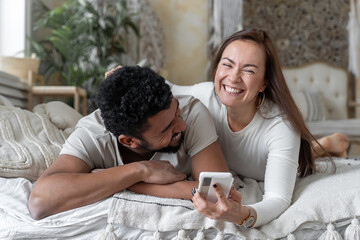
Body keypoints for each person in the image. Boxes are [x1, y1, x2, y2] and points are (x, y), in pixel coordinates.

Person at [166, 29, 349, 228]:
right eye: (227, 64)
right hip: (235, 162)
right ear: (217, 68)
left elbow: (278, 199)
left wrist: (242, 214)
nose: (233, 77)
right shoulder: (204, 95)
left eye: (249, 70)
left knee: (302, 157)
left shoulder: (281, 125)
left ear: (264, 83)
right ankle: (324, 143)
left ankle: (329, 143)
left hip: (263, 167)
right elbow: (165, 87)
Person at [28, 66, 229, 220]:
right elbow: (40, 202)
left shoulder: (192, 112)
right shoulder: (93, 135)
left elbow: (217, 190)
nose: (182, 126)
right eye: (167, 128)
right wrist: (140, 170)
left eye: (176, 112)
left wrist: (133, 184)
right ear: (129, 141)